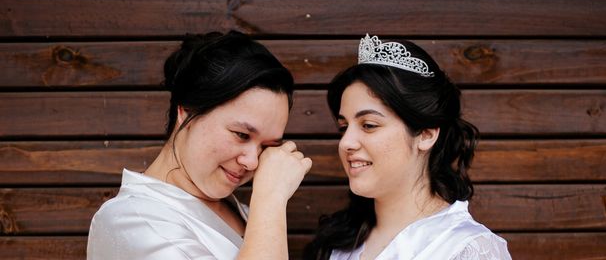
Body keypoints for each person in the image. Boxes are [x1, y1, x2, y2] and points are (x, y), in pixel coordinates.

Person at [87, 31, 312, 260]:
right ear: (187, 112)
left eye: (267, 146)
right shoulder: (129, 222)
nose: (253, 161)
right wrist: (271, 198)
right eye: (241, 135)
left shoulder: (244, 213)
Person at [304, 34, 512, 260]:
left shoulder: (466, 249)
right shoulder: (338, 245)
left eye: (369, 125)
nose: (346, 143)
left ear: (426, 134)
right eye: (344, 127)